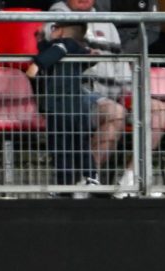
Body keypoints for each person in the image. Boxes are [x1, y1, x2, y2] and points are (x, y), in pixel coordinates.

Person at [45, 0, 165, 197]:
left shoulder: (108, 23)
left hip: (112, 96)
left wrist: (129, 95)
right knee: (114, 112)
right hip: (75, 97)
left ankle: (131, 180)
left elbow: (120, 66)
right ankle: (85, 179)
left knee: (158, 110)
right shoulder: (55, 19)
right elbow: (49, 45)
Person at [25, 22, 99, 197]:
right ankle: (90, 178)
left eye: (53, 28)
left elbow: (53, 52)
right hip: (77, 107)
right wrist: (40, 40)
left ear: (61, 32)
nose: (50, 31)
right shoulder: (78, 48)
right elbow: (88, 57)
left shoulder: (64, 44)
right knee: (81, 144)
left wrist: (36, 66)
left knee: (60, 147)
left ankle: (66, 183)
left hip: (59, 107)